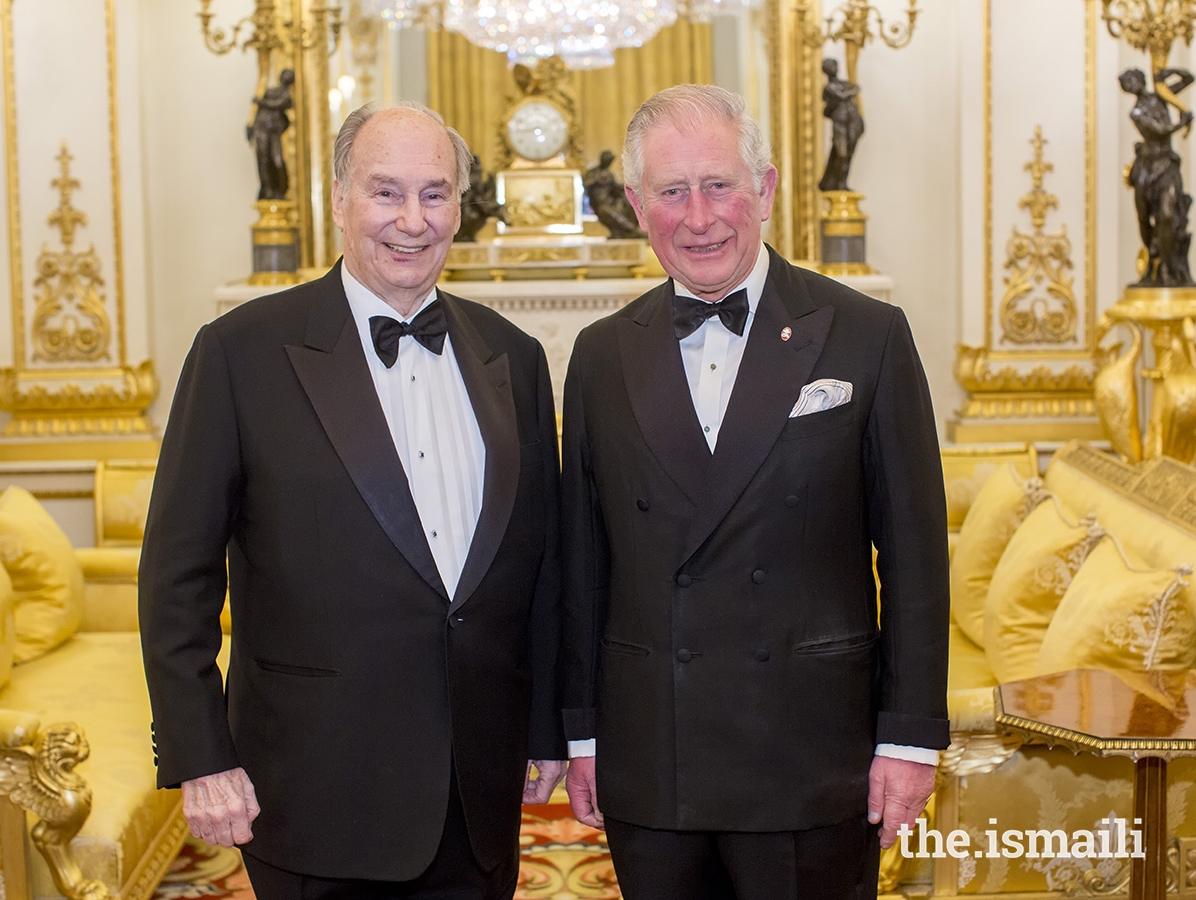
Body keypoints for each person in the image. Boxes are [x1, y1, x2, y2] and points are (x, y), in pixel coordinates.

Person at [140, 100, 565, 900]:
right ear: (337, 200)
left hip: (476, 799)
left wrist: (544, 726)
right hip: (313, 792)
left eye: (435, 194)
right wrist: (200, 756)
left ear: (460, 210)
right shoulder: (239, 353)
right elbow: (176, 578)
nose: (412, 220)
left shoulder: (516, 357)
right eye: (386, 192)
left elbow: (538, 568)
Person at [560, 84, 949, 899]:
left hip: (811, 754)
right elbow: (582, 566)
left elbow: (914, 556)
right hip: (653, 757)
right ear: (636, 205)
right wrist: (582, 732)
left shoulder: (866, 334)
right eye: (672, 191)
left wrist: (909, 740)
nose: (699, 217)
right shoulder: (599, 355)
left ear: (765, 189)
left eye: (720, 185)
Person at [1120, 66, 1194, 287]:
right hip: (1147, 168)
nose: (1131, 85)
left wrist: (1168, 72)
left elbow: (1190, 78)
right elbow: (1160, 130)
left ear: (1141, 79)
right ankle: (1153, 260)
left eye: (1132, 80)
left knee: (1168, 214)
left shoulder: (1161, 96)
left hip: (1167, 165)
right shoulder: (1136, 113)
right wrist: (1182, 122)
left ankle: (1167, 265)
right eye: (1127, 84)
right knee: (1144, 217)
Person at [818, 57, 864, 193]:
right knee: (841, 153)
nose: (834, 68)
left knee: (849, 153)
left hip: (851, 123)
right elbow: (843, 95)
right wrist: (851, 91)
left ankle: (842, 183)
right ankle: (838, 183)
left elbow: (857, 88)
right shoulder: (829, 88)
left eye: (834, 66)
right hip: (839, 126)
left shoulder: (844, 84)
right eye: (831, 66)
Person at [247, 68, 294, 201]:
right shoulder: (270, 91)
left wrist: (260, 101)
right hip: (261, 129)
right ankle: (268, 190)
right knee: (263, 160)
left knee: (277, 160)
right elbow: (258, 111)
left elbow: (277, 104)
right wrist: (251, 126)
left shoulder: (286, 97)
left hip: (274, 133)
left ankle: (280, 189)